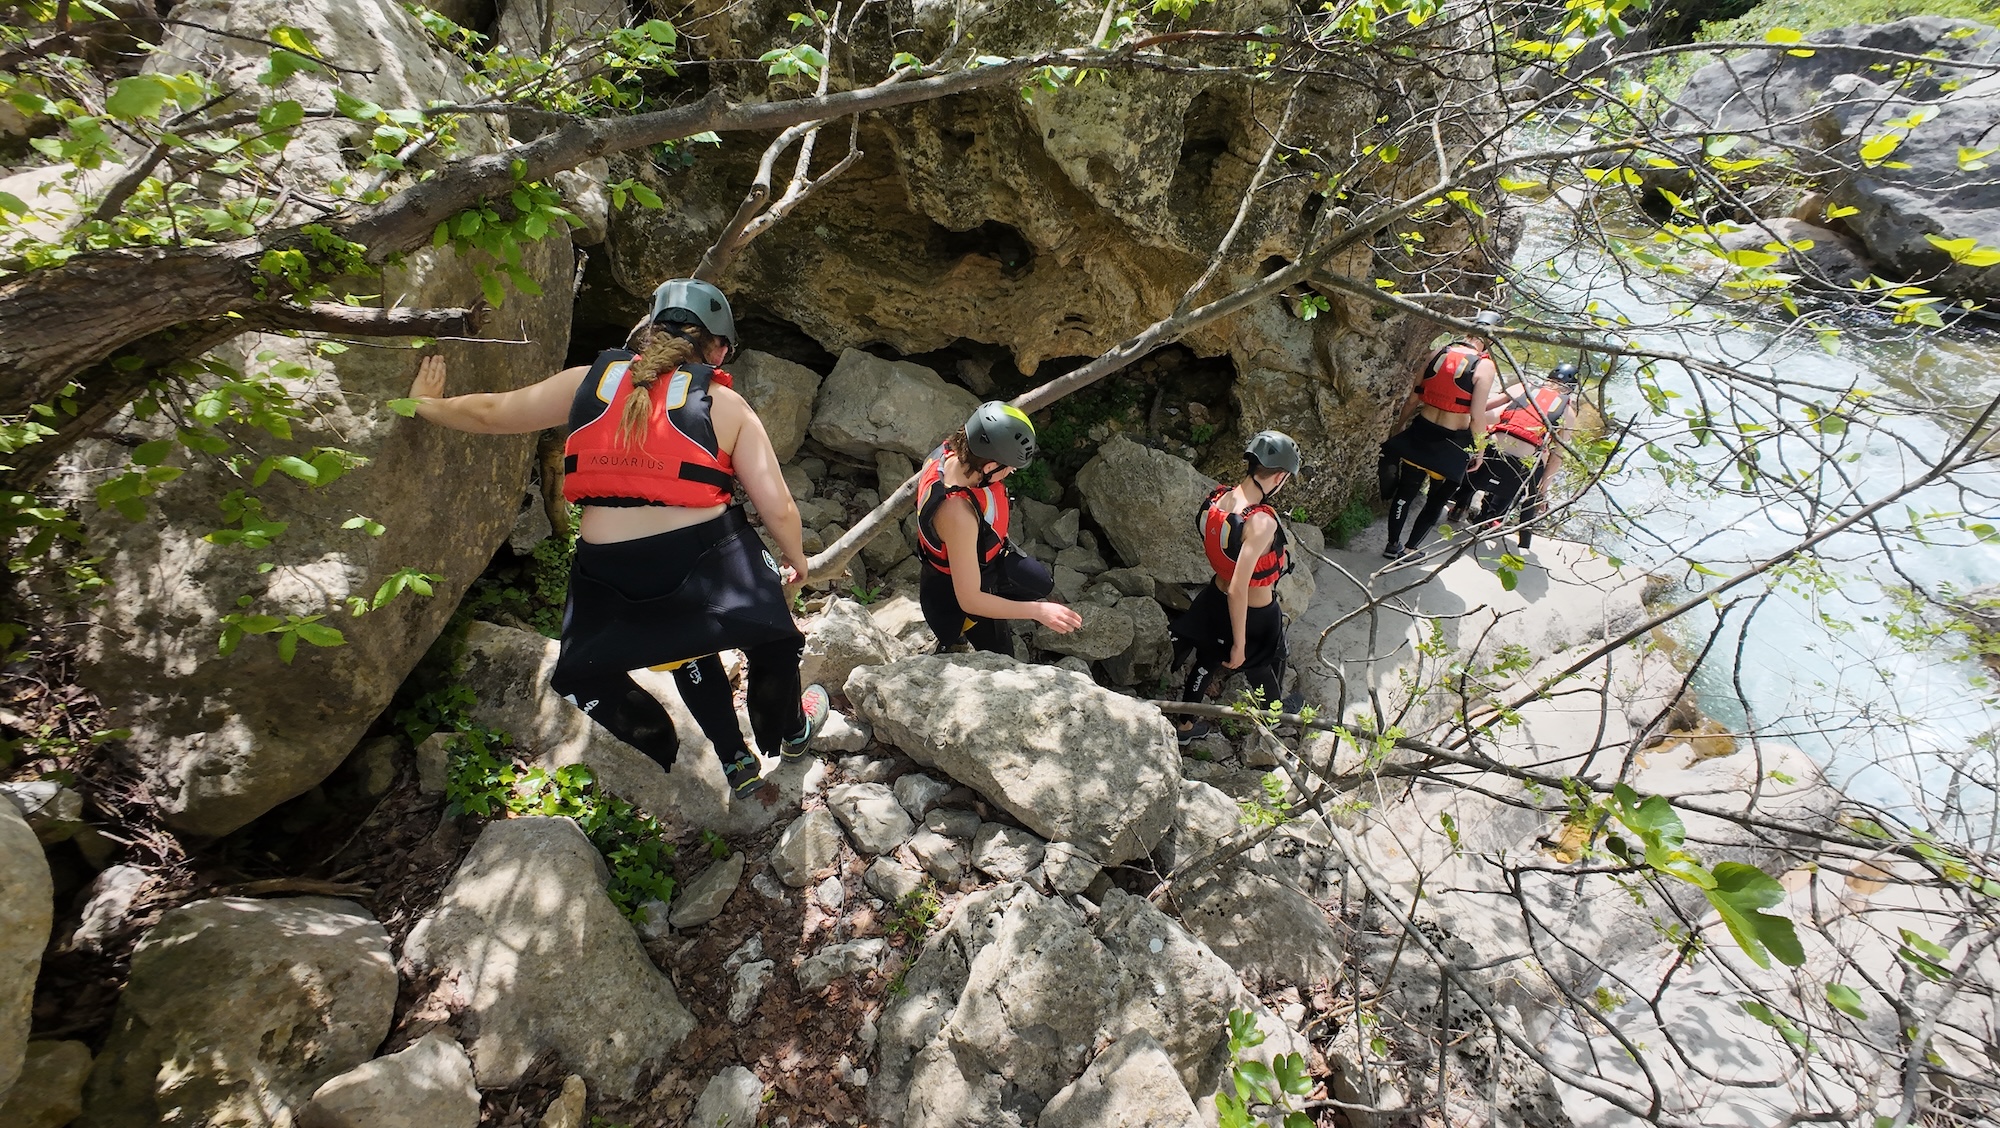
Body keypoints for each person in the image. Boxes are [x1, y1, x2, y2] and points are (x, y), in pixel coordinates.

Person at [407, 278, 829, 796]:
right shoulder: (723, 404)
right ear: (717, 348)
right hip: (703, 567)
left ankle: (734, 758)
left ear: (649, 333)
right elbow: (778, 506)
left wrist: (427, 405)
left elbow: (493, 413)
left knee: (682, 650)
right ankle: (790, 730)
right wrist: (797, 559)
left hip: (612, 578)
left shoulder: (587, 382)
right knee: (772, 633)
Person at [914, 402, 1082, 653]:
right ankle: (958, 640)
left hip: (988, 553)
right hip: (954, 584)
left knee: (1040, 584)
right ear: (990, 467)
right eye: (1010, 468)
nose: (1011, 472)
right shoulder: (957, 514)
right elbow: (971, 599)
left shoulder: (951, 452)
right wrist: (1038, 612)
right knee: (1001, 652)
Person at [1168, 431, 1299, 744]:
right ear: (1280, 476)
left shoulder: (1219, 498)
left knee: (1207, 658)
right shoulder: (1261, 522)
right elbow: (1240, 590)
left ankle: (1185, 727)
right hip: (1253, 611)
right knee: (1263, 662)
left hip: (1213, 596)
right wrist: (1239, 643)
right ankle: (1273, 715)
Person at [1377, 310, 1505, 560]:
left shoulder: (1438, 353)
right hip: (1451, 446)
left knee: (1406, 492)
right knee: (1435, 501)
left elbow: (1413, 399)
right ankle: (1411, 550)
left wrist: (1399, 429)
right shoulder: (1484, 365)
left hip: (1420, 435)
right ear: (1491, 338)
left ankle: (1392, 545)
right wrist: (1479, 452)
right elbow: (1477, 416)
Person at [1445, 361, 1581, 550]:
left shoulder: (1523, 387)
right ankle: (1490, 517)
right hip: (1517, 469)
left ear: (1548, 378)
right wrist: (1542, 490)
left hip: (1490, 455)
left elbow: (1482, 408)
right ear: (1571, 390)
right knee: (1538, 460)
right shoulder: (1567, 412)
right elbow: (1557, 456)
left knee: (1483, 441)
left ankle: (1460, 504)